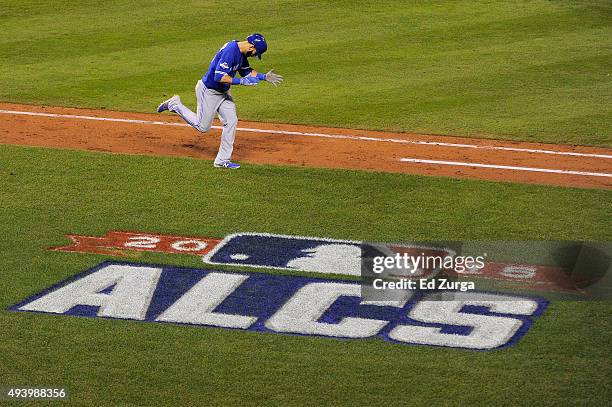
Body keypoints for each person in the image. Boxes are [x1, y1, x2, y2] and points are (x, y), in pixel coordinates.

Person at [157, 33, 283, 169]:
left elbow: (246, 72)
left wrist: (264, 77)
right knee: (202, 127)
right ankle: (174, 104)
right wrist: (240, 81)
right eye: (255, 53)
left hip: (223, 92)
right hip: (209, 91)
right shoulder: (231, 51)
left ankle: (222, 160)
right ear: (251, 46)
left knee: (231, 121)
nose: (254, 55)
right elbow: (219, 76)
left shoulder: (241, 52)